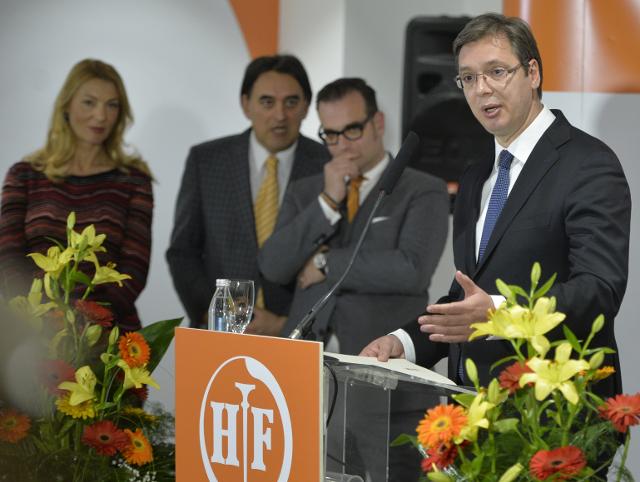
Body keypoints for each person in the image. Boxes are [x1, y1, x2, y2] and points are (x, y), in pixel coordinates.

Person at [361, 13, 631, 401]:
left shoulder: (587, 163)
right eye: (468, 78)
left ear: (533, 73)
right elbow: (467, 299)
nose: (482, 89)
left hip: (555, 411)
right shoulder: (476, 176)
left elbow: (598, 291)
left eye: (496, 72)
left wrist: (499, 314)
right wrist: (402, 342)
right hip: (474, 408)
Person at [259, 77, 449, 355]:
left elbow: (412, 270)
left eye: (352, 130)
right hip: (302, 353)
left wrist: (325, 263)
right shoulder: (306, 190)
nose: (342, 145)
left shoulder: (423, 189)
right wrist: (327, 202)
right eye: (331, 134)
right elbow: (273, 266)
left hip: (379, 355)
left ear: (378, 124)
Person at [166, 54, 329, 331]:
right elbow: (183, 252)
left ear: (306, 107)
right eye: (267, 102)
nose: (280, 115)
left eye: (291, 102)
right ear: (246, 104)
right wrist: (216, 316)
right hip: (218, 331)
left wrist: (287, 325)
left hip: (298, 331)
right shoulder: (207, 161)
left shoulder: (328, 165)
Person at [0, 59, 153, 332]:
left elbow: (134, 269)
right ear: (66, 106)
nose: (101, 116)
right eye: (89, 102)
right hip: (33, 334)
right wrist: (43, 320)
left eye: (112, 105)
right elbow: (8, 259)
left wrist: (86, 323)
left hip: (105, 334)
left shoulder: (134, 180)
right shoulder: (24, 175)